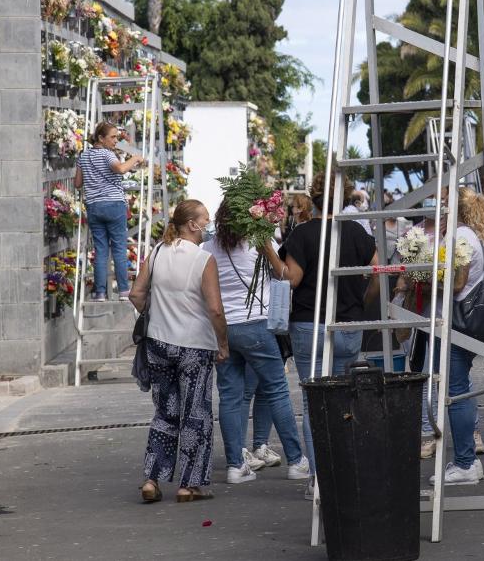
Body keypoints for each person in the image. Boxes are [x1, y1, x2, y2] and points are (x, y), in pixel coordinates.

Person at [280, 172, 378, 495]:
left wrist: (267, 249)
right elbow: (378, 273)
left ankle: (319, 479)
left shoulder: (302, 234)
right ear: (346, 197)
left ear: (314, 197)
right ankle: (344, 474)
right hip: (348, 325)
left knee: (315, 404)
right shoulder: (356, 232)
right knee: (343, 400)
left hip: (309, 325)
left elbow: (292, 279)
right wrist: (361, 302)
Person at [203, 200, 311, 485]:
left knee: (230, 396)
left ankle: (235, 466)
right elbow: (283, 276)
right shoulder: (260, 245)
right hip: (256, 326)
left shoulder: (208, 248)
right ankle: (296, 461)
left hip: (223, 329)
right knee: (277, 390)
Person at [129, 200, 228, 503]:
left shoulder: (158, 251)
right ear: (192, 225)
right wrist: (223, 343)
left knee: (165, 412)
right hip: (194, 345)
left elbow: (136, 293)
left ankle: (152, 479)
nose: (209, 224)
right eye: (205, 219)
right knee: (195, 413)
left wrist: (155, 312)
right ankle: (189, 485)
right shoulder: (203, 259)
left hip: (158, 342)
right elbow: (215, 309)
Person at [428, 186, 484, 485]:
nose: (441, 208)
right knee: (459, 387)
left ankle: (465, 462)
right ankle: (469, 461)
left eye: (445, 204)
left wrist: (426, 280)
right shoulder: (473, 235)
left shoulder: (461, 236)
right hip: (463, 323)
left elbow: (457, 282)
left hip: (456, 323)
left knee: (455, 392)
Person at [75, 121, 144, 300]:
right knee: (119, 249)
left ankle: (100, 292)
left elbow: (77, 183)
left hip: (94, 207)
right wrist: (135, 158)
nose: (115, 141)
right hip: (114, 205)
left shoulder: (83, 156)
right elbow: (120, 169)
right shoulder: (107, 154)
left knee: (101, 251)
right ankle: (123, 291)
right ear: (100, 138)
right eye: (112, 137)